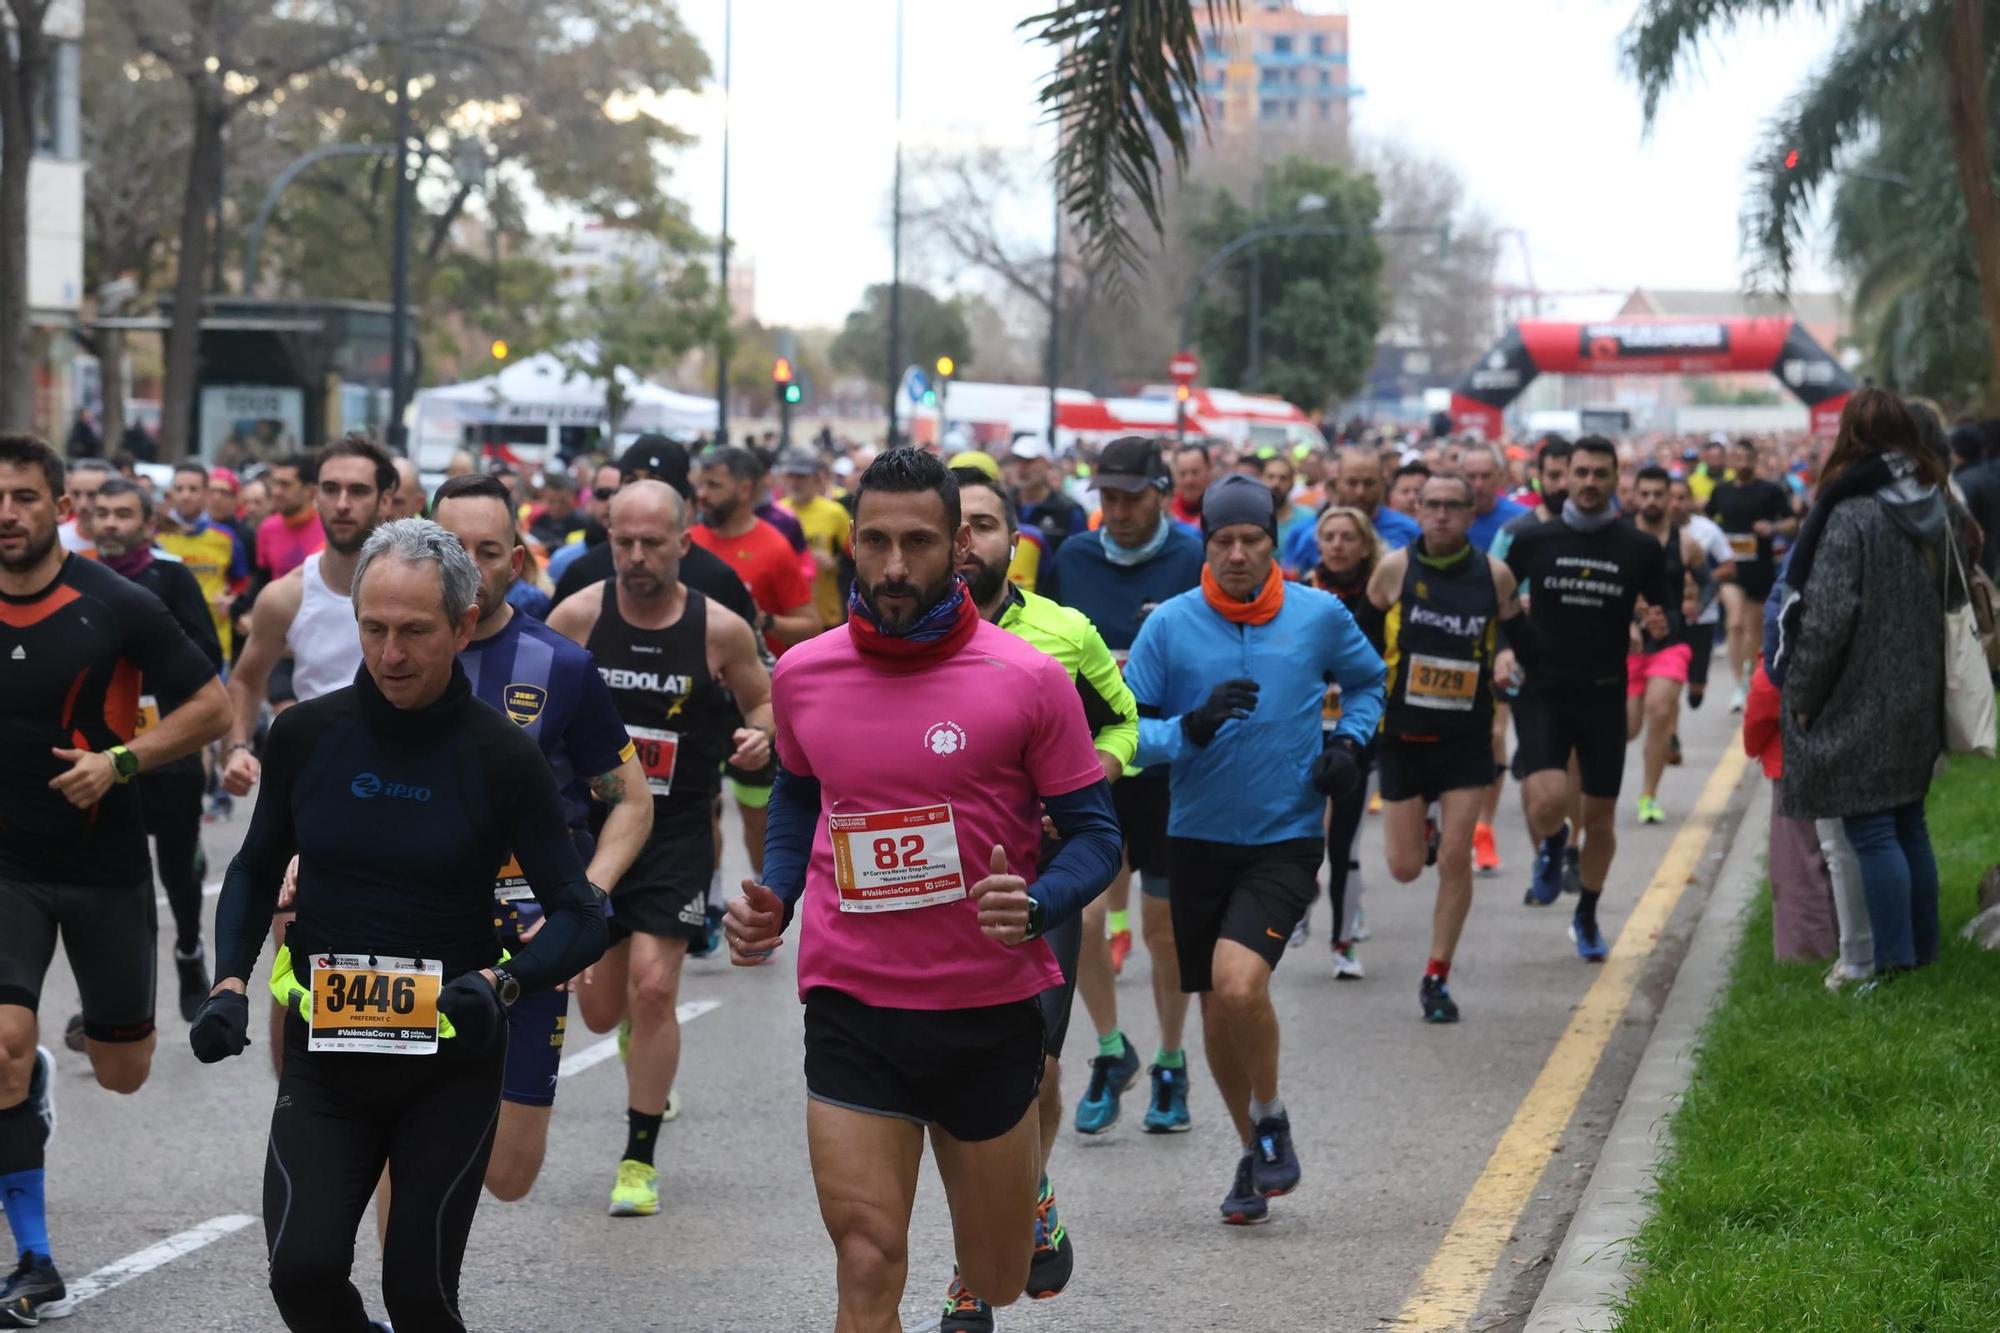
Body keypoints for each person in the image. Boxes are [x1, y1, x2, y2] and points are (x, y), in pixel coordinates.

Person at [722, 449, 1121, 1328]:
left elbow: (1097, 835)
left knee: (999, 1272)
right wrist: (779, 892)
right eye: (874, 541)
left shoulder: (1028, 679)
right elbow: (796, 792)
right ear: (850, 547)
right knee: (867, 1257)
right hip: (853, 1001)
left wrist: (1040, 903)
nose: (895, 566)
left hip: (986, 1008)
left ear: (960, 547)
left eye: (917, 541)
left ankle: (1025, 1203)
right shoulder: (804, 675)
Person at [190, 518, 607, 1332]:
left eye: (415, 631)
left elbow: (581, 914)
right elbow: (249, 867)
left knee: (419, 1295)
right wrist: (230, 984)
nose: (390, 654)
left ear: (463, 622)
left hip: (447, 1062)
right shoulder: (309, 736)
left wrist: (502, 981)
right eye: (373, 629)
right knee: (302, 1274)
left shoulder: (501, 755)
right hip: (328, 1057)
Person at [0, 434, 232, 1324]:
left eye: (26, 496)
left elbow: (213, 705)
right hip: (8, 868)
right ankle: (33, 1258)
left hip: (103, 867)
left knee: (126, 1067)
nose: (9, 513)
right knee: (4, 1045)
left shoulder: (118, 602)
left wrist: (123, 763)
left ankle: (37, 1088)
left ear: (62, 507)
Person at [1123, 473, 1384, 1224]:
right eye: (1223, 541)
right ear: (1205, 544)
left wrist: (1348, 744)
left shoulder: (1319, 615)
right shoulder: (1169, 625)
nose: (1237, 554)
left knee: (1240, 985)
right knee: (1213, 1013)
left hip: (1285, 838)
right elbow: (1127, 732)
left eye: (1252, 541)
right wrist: (1188, 729)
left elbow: (1369, 685)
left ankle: (1270, 1117)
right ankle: (1253, 1152)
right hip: (1195, 838)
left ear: (1275, 544)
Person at [942, 466, 1138, 1330]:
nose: (969, 542)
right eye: (957, 524)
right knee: (949, 1072)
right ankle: (1031, 1198)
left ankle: (972, 1270)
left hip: (1036, 884)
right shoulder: (896, 636)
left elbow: (1125, 718)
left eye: (986, 525)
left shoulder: (1063, 634)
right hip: (927, 892)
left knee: (1032, 1071)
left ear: (1014, 539)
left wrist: (1103, 765)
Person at [548, 481, 773, 1217]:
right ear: (607, 538)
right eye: (624, 543)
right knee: (599, 1006)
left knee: (653, 986)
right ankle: (631, 1039)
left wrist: (758, 735)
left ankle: (638, 1157)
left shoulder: (721, 630)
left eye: (653, 543)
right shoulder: (578, 618)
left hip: (676, 833)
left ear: (685, 541)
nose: (638, 558)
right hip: (595, 832)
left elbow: (765, 702)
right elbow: (531, 723)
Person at [430, 475, 652, 1202]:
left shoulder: (560, 665)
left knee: (510, 1175)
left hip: (523, 939)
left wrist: (584, 901)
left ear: (515, 563)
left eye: (485, 550)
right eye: (448, 548)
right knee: (406, 1137)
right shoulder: (387, 648)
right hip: (408, 934)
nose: (466, 564)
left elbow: (631, 803)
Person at [1041, 436, 1205, 1138]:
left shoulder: (1193, 557)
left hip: (1166, 770)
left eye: (1132, 496)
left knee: (1163, 929)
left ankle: (1171, 1058)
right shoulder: (1073, 557)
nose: (1118, 510)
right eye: (1106, 497)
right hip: (1089, 768)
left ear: (1162, 491)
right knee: (1079, 921)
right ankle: (1111, 1049)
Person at [1776, 389, 1963, 988]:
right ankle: (1920, 952)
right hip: (1920, 684)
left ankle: (1893, 964)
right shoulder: (1938, 504)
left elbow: (1827, 616)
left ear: (1849, 438)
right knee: (1909, 820)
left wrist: (1802, 694)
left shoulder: (1850, 512)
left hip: (1858, 691)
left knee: (1873, 829)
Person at [222, 435, 396, 1070]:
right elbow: (244, 679)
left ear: (386, 499)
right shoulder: (286, 597)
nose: (342, 504)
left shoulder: (414, 590)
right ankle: (297, 1115)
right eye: (331, 489)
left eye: (357, 491)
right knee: (298, 974)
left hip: (406, 796)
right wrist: (239, 746)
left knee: (393, 965)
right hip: (309, 803)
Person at [1503, 436, 1670, 962]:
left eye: (1601, 473)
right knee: (1548, 797)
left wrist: (1660, 624)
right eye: (1581, 473)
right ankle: (1553, 845)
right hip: (1543, 687)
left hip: (1604, 692)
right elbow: (1500, 604)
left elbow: (1670, 611)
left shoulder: (1639, 548)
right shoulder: (1532, 539)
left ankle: (1588, 912)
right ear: (1563, 477)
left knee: (1599, 819)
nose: (1590, 483)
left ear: (1615, 477)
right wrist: (1504, 651)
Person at [1365, 474, 1521, 1022]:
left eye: (1453, 506)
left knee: (1456, 859)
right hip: (1404, 735)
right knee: (1406, 868)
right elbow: (1362, 632)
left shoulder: (1494, 575)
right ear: (1417, 508)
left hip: (1465, 737)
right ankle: (1422, 829)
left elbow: (1512, 632)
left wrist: (1506, 659)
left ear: (1470, 513)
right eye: (1431, 505)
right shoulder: (1395, 569)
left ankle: (1437, 976)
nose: (1441, 515)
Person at [91, 478, 227, 1024]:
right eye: (101, 513)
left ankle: (190, 951)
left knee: (176, 865)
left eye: (123, 514)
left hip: (167, 741)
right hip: (100, 747)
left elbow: (207, 652)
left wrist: (146, 662)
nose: (110, 524)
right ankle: (112, 984)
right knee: (107, 869)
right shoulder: (75, 578)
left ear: (147, 523)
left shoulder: (168, 577)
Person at [1479, 436, 1574, 879]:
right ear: (1538, 476)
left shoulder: (1610, 533)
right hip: (1521, 659)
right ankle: (1544, 858)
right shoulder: (1516, 533)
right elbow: (1492, 596)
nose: (1562, 484)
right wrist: (1502, 645)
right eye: (1553, 474)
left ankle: (1570, 847)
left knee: (1572, 767)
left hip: (1579, 669)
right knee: (1526, 757)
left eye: (1568, 474)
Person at [1302, 506, 1384, 977]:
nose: (1336, 544)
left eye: (1347, 536)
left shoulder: (1382, 593)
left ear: (1364, 543)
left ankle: (1343, 941)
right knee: (1302, 834)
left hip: (1356, 732)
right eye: (1328, 535)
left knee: (1344, 844)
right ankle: (1297, 907)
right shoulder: (1297, 591)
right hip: (1302, 731)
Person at [1623, 466, 1725, 823]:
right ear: (1634, 496)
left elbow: (1710, 581)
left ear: (1669, 498)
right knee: (1629, 727)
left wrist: (1696, 604)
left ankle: (1648, 796)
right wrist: (1632, 620)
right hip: (1628, 647)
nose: (1651, 501)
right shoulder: (1619, 537)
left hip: (1670, 643)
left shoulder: (1685, 543)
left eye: (1658, 494)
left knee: (1661, 710)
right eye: (1645, 493)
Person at [1707, 437, 1798, 712]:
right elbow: (1707, 521)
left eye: (1746, 458)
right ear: (1731, 461)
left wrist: (1773, 527)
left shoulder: (1769, 491)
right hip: (1730, 569)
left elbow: (1793, 523)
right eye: (1737, 458)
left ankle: (1747, 675)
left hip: (1759, 570)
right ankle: (1738, 684)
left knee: (1753, 630)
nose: (1741, 463)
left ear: (1754, 461)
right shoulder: (1720, 491)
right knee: (1734, 623)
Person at [158, 459, 251, 657]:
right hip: (167, 641)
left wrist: (233, 599)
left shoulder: (226, 537)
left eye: (193, 489)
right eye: (179, 488)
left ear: (206, 494)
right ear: (171, 492)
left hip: (215, 641)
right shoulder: (156, 536)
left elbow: (242, 580)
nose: (185, 496)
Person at [1667, 475, 1736, 710]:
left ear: (1691, 501)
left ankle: (1694, 692)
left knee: (1695, 691)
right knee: (1667, 683)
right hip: (1670, 617)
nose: (1676, 503)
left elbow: (1729, 567)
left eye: (1681, 498)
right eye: (1671, 498)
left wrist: (1700, 578)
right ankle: (1670, 729)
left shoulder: (1707, 530)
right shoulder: (1655, 531)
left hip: (1703, 616)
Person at [778, 449, 853, 629]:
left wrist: (834, 562)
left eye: (801, 477)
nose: (795, 483)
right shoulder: (776, 513)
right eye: (791, 476)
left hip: (826, 612)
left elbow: (855, 557)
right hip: (787, 615)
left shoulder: (835, 512)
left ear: (816, 479)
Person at [253, 453, 326, 586]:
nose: (276, 492)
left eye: (285, 485)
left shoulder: (329, 527)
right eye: (275, 483)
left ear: (310, 491)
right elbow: (261, 581)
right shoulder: (267, 528)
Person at [1006, 437, 1085, 555]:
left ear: (1047, 464)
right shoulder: (1002, 503)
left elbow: (1078, 555)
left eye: (1028, 461)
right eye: (1017, 460)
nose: (1021, 467)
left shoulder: (1068, 510)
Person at [1461, 442, 1529, 551]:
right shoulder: (1444, 520)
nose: (1478, 484)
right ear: (1460, 477)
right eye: (1471, 476)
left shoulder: (1523, 520)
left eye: (1486, 476)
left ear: (1500, 476)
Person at [528, 471, 595, 551]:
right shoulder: (538, 521)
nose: (557, 507)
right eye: (551, 501)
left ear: (572, 497)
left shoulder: (584, 523)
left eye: (563, 501)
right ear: (544, 498)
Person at [57, 459, 110, 557]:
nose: (83, 504)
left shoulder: (126, 543)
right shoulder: (57, 541)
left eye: (92, 495)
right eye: (76, 494)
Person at [1168, 442, 1214, 526]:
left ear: (1208, 470)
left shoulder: (1221, 510)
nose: (1189, 480)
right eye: (1182, 473)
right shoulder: (1166, 513)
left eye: (1195, 472)